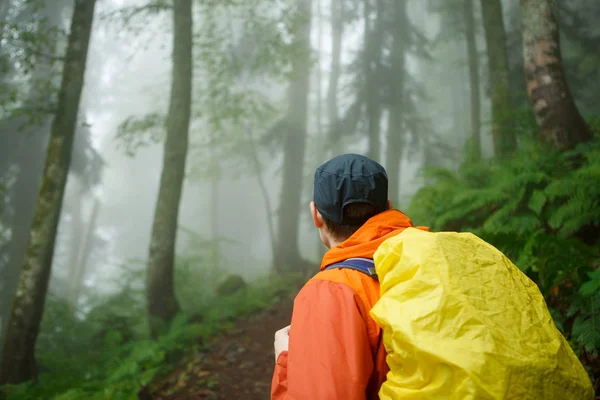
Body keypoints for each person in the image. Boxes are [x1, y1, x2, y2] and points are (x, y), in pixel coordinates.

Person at [270, 153, 425, 400]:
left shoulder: (333, 290)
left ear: (316, 215)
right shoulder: (431, 262)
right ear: (388, 208)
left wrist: (286, 360)